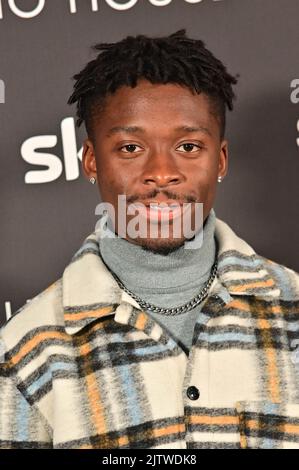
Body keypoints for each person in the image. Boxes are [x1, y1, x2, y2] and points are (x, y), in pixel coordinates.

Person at [0, 29, 298, 450]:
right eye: (130, 148)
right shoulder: (27, 348)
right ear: (90, 161)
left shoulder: (293, 309)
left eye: (189, 146)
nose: (161, 172)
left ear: (221, 160)